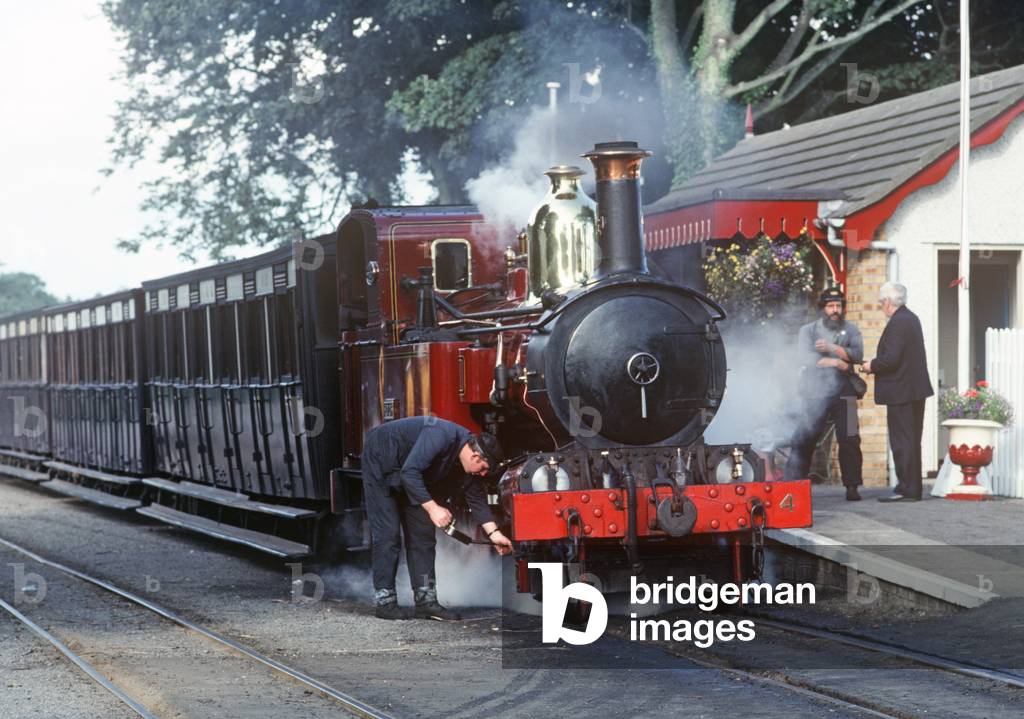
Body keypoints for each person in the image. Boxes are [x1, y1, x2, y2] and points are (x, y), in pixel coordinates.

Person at [360, 416, 513, 620]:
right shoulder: (441, 436)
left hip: (413, 475)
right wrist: (433, 508)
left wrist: (494, 534)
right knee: (388, 535)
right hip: (381, 460)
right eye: (484, 468)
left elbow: (476, 498)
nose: (484, 474)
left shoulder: (467, 462)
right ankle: (385, 602)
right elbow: (410, 472)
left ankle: (426, 602)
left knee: (423, 537)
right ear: (476, 456)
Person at [785, 287, 865, 501]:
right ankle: (794, 485)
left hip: (845, 391)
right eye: (830, 306)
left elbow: (858, 355)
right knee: (805, 436)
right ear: (822, 308)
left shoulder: (851, 330)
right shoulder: (808, 331)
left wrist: (834, 349)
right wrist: (835, 362)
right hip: (814, 390)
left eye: (838, 306)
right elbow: (803, 357)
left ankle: (852, 486)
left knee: (850, 438)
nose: (835, 310)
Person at [864, 282, 934, 502]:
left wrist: (871, 366)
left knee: (902, 442)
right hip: (914, 390)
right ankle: (912, 487)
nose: (881, 307)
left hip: (901, 392)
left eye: (880, 303)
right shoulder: (912, 318)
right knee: (912, 440)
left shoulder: (897, 323)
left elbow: (891, 359)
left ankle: (906, 488)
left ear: (887, 302)